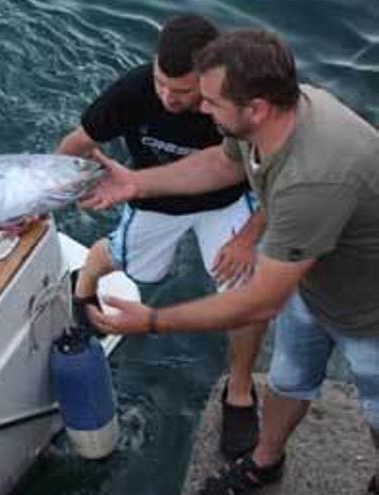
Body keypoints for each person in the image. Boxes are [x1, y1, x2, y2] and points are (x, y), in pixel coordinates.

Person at [84, 29, 379, 495]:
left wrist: (154, 320)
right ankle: (265, 462)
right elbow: (221, 166)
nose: (202, 109)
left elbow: (259, 303)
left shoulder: (313, 181)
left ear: (255, 107)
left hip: (370, 313)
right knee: (287, 380)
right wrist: (139, 185)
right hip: (315, 280)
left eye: (212, 102)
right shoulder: (273, 119)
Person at [57, 14, 267, 459]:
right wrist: (41, 200)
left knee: (245, 290)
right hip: (154, 197)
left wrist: (247, 239)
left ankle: (241, 393)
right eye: (161, 84)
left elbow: (280, 180)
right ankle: (83, 284)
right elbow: (76, 142)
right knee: (129, 263)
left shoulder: (243, 104)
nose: (169, 99)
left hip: (227, 204)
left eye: (184, 91)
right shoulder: (133, 91)